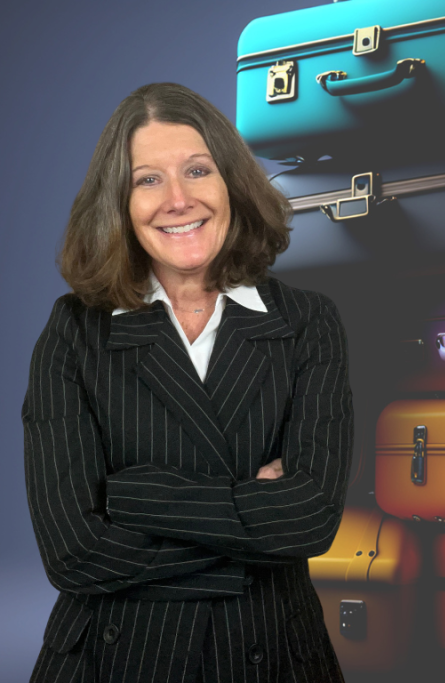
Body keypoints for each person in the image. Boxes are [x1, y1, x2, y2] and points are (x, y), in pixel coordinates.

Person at [23, 82, 352, 683]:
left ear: (231, 182)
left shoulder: (308, 322)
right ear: (118, 203)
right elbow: (73, 551)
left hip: (272, 649)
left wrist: (131, 497)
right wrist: (254, 530)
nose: (177, 199)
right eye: (147, 179)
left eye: (196, 170)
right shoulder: (73, 330)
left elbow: (310, 519)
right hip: (117, 658)